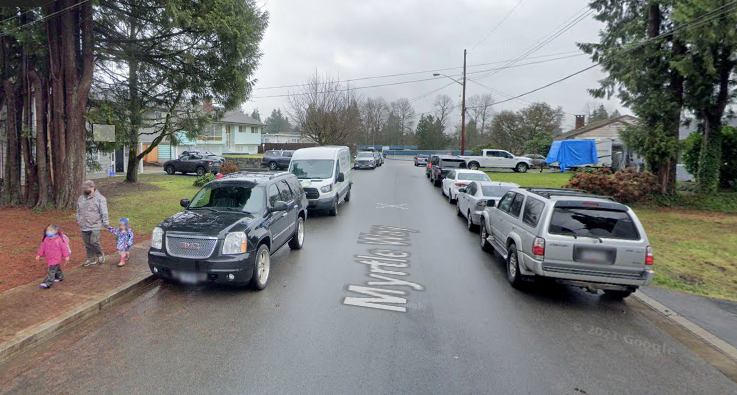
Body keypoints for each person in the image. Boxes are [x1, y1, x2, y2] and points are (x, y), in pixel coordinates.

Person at [76, 180, 110, 266]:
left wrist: (106, 223)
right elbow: (78, 210)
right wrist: (78, 220)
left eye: (86, 188)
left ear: (92, 187)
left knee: (94, 241)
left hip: (95, 225)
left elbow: (104, 212)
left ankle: (100, 254)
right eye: (83, 188)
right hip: (84, 225)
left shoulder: (100, 199)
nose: (84, 190)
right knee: (87, 243)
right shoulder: (81, 198)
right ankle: (91, 259)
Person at [36, 224, 70, 289]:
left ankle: (48, 282)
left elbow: (64, 248)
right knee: (56, 268)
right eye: (48, 230)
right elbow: (42, 247)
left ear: (56, 231)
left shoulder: (59, 240)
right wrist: (39, 254)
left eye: (51, 230)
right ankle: (60, 277)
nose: (48, 232)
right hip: (49, 257)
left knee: (51, 270)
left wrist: (66, 256)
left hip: (56, 258)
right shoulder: (46, 239)